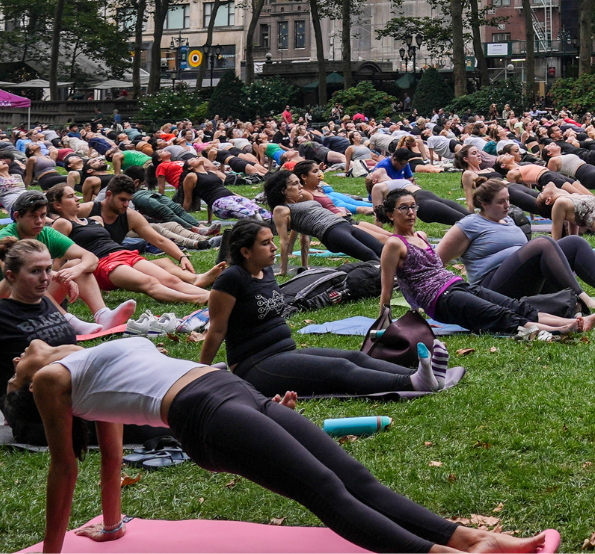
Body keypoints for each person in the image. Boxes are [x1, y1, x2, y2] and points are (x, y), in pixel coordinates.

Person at [7, 336, 552, 553]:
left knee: (357, 480)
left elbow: (111, 457)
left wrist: (111, 524)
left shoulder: (81, 357)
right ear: (26, 386)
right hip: (206, 415)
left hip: (233, 391)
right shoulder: (53, 382)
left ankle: (474, 539)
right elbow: (66, 468)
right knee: (324, 491)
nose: (14, 357)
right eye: (12, 371)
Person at [202, 220, 444, 396]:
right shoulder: (231, 280)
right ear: (245, 252)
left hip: (283, 351)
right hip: (255, 365)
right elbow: (216, 329)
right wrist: (200, 372)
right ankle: (412, 382)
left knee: (354, 356)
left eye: (272, 241)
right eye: (265, 244)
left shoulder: (265, 271)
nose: (274, 247)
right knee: (339, 369)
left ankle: (425, 372)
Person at [378, 188, 595, 338]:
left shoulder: (421, 236)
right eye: (403, 208)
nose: (410, 213)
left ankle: (573, 320)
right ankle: (565, 327)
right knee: (498, 314)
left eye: (413, 207)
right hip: (440, 299)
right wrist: (383, 325)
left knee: (515, 307)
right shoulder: (394, 245)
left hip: (457, 285)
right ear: (390, 215)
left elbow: (437, 267)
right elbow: (386, 291)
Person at [0, 238, 133, 445]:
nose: (45, 278)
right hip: (36, 415)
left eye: (48, 270)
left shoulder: (45, 301)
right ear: (11, 276)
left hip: (78, 393)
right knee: (139, 420)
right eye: (35, 271)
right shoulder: (3, 315)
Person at [437, 179, 595, 308]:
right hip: (492, 288)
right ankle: (582, 298)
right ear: (485, 204)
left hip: (524, 281)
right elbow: (437, 260)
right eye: (500, 202)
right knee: (542, 243)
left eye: (508, 200)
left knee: (573, 242)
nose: (507, 205)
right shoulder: (469, 224)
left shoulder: (510, 220)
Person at [56, 178, 217, 305]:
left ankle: (211, 294)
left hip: (122, 254)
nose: (126, 204)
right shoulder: (84, 212)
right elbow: (59, 254)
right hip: (104, 263)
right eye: (122, 200)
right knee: (151, 281)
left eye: (129, 200)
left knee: (168, 273)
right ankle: (197, 297)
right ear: (109, 195)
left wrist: (181, 256)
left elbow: (159, 240)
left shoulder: (125, 215)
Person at [0, 193, 110, 320]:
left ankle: (103, 314)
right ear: (17, 216)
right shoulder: (5, 237)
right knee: (29, 277)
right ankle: (70, 320)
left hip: (38, 300)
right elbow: (16, 272)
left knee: (76, 264)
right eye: (33, 216)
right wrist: (56, 275)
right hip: (8, 303)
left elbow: (90, 257)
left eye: (43, 216)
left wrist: (76, 270)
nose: (39, 221)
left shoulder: (48, 233)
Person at [267, 167, 386, 273]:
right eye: (295, 184)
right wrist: (283, 270)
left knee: (381, 249)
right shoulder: (280, 210)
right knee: (370, 256)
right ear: (283, 190)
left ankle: (400, 271)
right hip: (331, 232)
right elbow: (284, 241)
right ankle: (391, 278)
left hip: (343, 224)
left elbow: (304, 238)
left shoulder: (304, 198)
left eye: (299, 182)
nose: (301, 186)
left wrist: (305, 266)